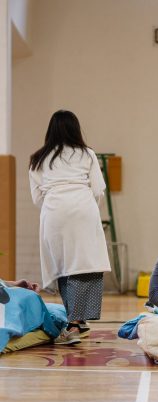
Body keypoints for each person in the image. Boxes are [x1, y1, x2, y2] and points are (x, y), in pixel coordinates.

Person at [29, 110, 111, 344]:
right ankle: (74, 324)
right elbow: (98, 190)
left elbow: (37, 197)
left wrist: (56, 208)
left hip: (53, 212)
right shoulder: (87, 154)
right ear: (76, 129)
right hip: (83, 209)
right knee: (85, 265)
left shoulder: (38, 158)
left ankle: (77, 320)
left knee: (64, 266)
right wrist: (86, 209)